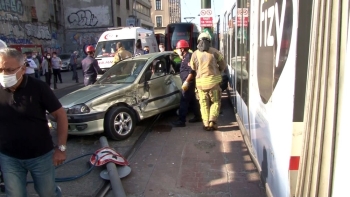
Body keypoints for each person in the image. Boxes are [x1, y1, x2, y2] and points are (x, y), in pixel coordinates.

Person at [0, 47, 68, 197]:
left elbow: (61, 115)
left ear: (22, 69)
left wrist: (61, 148)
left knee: (47, 193)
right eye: (0, 70)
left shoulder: (38, 87)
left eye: (9, 70)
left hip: (40, 156)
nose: (4, 74)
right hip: (9, 157)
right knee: (14, 194)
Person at [189, 32, 227, 131]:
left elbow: (193, 67)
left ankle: (206, 124)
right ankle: (212, 121)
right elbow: (223, 65)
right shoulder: (215, 52)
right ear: (209, 41)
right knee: (215, 102)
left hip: (200, 85)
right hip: (214, 84)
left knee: (203, 104)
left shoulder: (194, 54)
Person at [172, 40, 202, 127]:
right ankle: (198, 116)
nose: (177, 51)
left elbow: (192, 72)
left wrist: (186, 82)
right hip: (188, 83)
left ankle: (181, 121)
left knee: (183, 101)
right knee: (192, 100)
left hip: (188, 83)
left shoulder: (188, 57)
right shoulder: (185, 57)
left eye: (177, 49)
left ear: (182, 49)